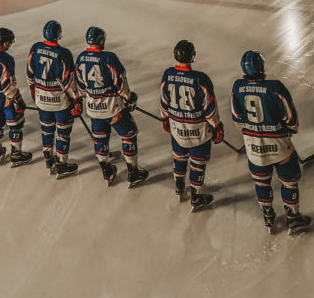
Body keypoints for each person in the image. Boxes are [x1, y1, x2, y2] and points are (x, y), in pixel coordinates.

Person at [231, 50, 311, 234]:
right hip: (280, 148)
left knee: (261, 183)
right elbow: (291, 121)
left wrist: (251, 134)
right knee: (289, 183)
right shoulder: (275, 87)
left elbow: (237, 119)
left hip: (253, 148)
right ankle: (293, 218)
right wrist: (290, 130)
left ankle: (268, 216)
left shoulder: (237, 87)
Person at [75, 26, 148, 188]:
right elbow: (120, 81)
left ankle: (106, 169)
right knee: (129, 135)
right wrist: (129, 97)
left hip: (93, 109)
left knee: (100, 138)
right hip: (113, 108)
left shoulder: (80, 58)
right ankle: (133, 172)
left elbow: (81, 87)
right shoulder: (108, 57)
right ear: (101, 40)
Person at [160, 40, 224, 212]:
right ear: (192, 56)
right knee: (197, 163)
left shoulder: (168, 74)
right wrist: (216, 126)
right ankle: (196, 197)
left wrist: (165, 118)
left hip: (177, 129)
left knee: (179, 157)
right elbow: (210, 109)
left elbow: (164, 101)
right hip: (199, 132)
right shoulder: (201, 79)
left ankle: (179, 186)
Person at [27, 20, 81, 178]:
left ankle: (48, 158)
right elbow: (69, 82)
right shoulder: (63, 53)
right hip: (60, 102)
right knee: (63, 132)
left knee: (47, 129)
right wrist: (77, 100)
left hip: (41, 98)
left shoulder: (35, 48)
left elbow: (30, 75)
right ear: (59, 35)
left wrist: (34, 93)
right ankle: (61, 164)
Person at [0, 27, 31, 167]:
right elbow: (7, 85)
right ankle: (16, 154)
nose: (10, 44)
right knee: (15, 125)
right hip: (4, 97)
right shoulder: (6, 59)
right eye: (10, 42)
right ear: (6, 42)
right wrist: (18, 100)